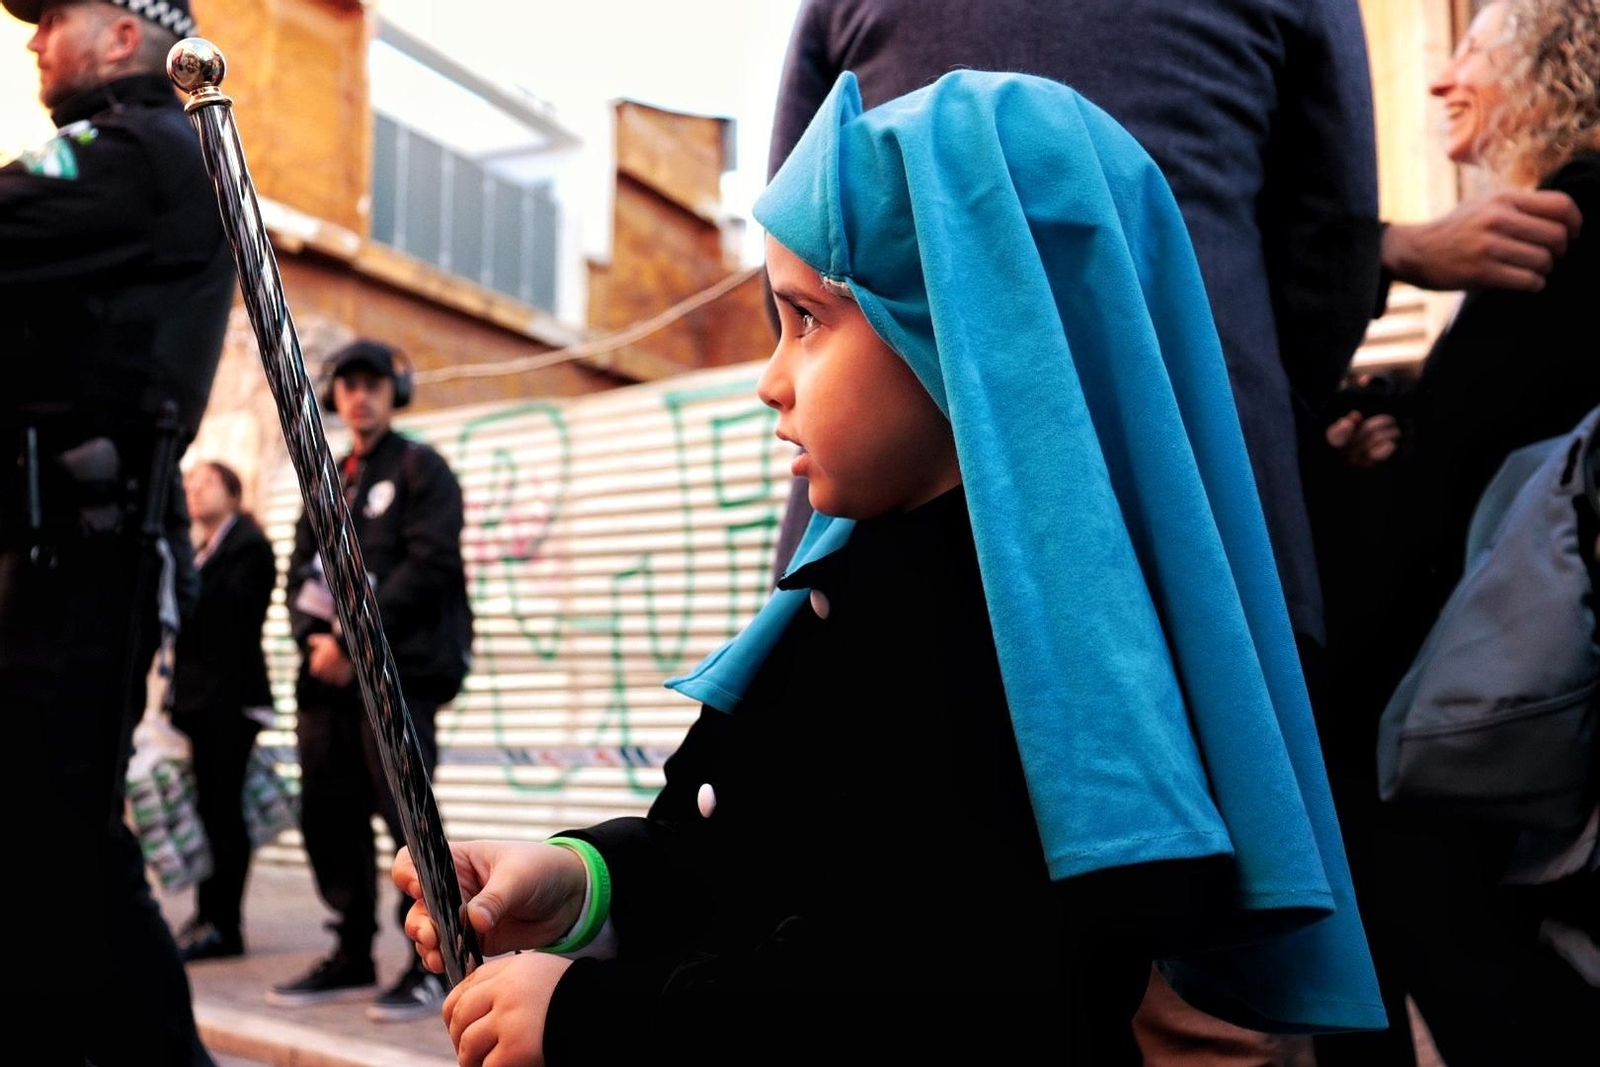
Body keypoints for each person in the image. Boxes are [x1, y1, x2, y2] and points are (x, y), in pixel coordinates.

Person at [394, 71, 1383, 1066]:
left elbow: (933, 986)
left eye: (808, 319)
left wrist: (591, 1019)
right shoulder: (853, 584)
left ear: (966, 326)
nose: (769, 379)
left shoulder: (1033, 661)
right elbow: (740, 860)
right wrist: (577, 884)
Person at [1312, 3, 1600, 1063]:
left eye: (1472, 48)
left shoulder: (1557, 233)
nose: (1439, 77)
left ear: (1554, 67)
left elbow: (1437, 513)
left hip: (1480, 732)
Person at [0, 0, 233, 1061]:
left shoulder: (137, 149)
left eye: (57, 16)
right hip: (53, 555)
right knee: (63, 851)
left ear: (129, 33)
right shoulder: (120, 154)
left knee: (51, 850)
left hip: (78, 558)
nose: (37, 38)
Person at [270, 339, 472, 1024]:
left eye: (374, 383)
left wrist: (356, 643)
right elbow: (300, 572)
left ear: (394, 391)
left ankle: (436, 964)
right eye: (349, 384)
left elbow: (431, 564)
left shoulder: (422, 469)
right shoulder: (329, 478)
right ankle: (351, 949)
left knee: (406, 817)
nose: (361, 396)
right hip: (326, 682)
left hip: (399, 674)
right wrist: (318, 641)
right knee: (329, 814)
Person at [168, 461, 277, 962]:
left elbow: (228, 615)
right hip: (197, 702)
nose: (193, 492)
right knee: (209, 810)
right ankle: (206, 913)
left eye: (204, 483)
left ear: (233, 493)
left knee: (224, 814)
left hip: (230, 703)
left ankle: (225, 925)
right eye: (187, 485)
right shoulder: (198, 549)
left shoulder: (249, 546)